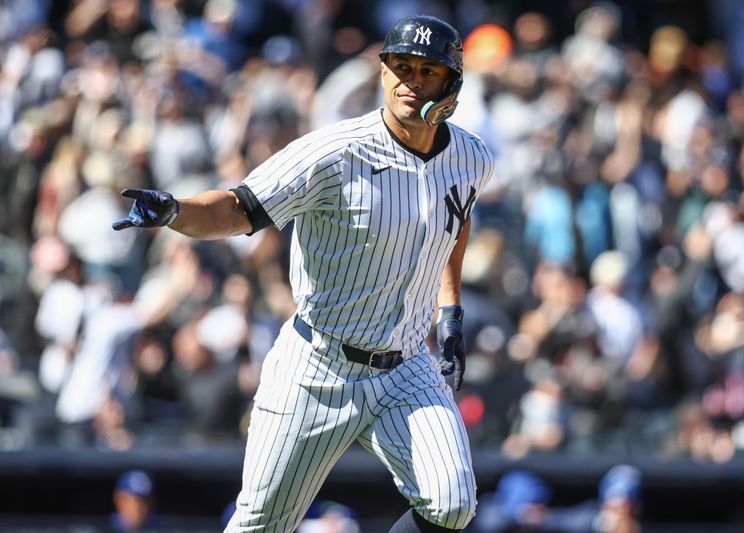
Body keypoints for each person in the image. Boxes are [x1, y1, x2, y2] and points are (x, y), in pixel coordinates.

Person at [113, 15, 493, 533]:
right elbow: (237, 208)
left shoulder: (470, 157)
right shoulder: (333, 152)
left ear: (451, 83)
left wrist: (450, 313)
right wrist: (176, 210)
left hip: (406, 365)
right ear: (382, 73)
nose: (409, 81)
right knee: (261, 526)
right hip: (319, 365)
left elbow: (454, 219)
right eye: (399, 67)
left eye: (427, 71)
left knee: (452, 504)